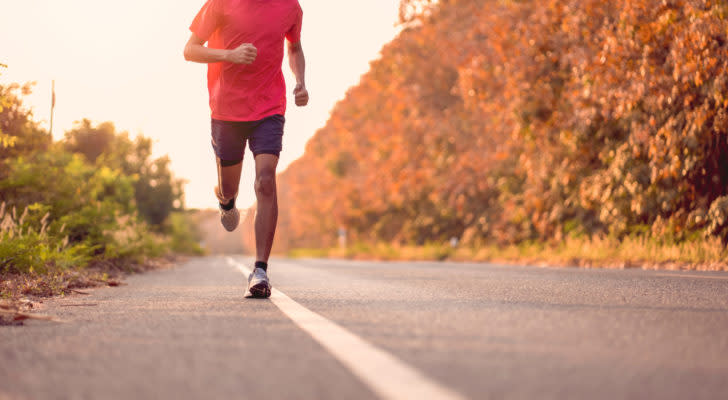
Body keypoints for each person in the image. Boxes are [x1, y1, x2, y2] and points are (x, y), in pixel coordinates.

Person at [183, 0, 308, 298]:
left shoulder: (289, 6)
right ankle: (226, 201)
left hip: (269, 107)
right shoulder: (220, 4)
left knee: (266, 181)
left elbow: (294, 48)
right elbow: (190, 49)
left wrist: (300, 82)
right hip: (227, 110)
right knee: (230, 187)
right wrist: (230, 55)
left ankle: (260, 270)